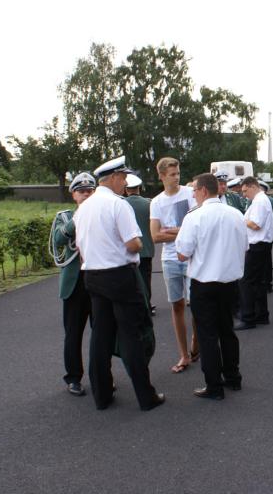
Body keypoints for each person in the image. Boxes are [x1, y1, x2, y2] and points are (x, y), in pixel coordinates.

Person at [73, 156, 165, 411]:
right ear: (113, 178)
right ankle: (146, 397)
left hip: (93, 276)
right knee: (131, 335)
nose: (125, 183)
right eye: (123, 178)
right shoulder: (118, 205)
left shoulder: (83, 209)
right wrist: (137, 244)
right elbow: (133, 243)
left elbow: (80, 248)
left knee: (100, 337)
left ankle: (102, 396)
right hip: (120, 276)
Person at [176, 172, 248, 400]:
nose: (193, 195)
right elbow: (245, 246)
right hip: (230, 283)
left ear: (204, 190)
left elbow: (182, 254)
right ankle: (233, 377)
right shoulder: (236, 214)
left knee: (207, 335)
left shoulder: (194, 217)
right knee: (227, 331)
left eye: (194, 191)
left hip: (204, 284)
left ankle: (214, 386)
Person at [149, 157, 199, 375]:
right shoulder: (156, 202)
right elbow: (154, 236)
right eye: (172, 174)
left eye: (178, 173)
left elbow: (195, 227)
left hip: (190, 257)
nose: (177, 177)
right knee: (177, 306)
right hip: (169, 260)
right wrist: (181, 230)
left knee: (195, 304)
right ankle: (184, 354)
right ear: (161, 176)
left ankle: (196, 341)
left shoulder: (189, 194)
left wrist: (169, 231)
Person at [51, 171, 95, 396]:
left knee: (102, 332)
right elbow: (58, 240)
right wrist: (77, 220)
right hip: (75, 283)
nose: (86, 194)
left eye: (89, 191)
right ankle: (73, 378)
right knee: (73, 333)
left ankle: (102, 376)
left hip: (97, 279)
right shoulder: (66, 217)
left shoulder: (101, 214)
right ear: (73, 195)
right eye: (81, 191)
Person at [235, 176, 273, 330]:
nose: (244, 194)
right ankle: (261, 315)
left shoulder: (259, 201)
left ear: (253, 186)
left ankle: (248, 317)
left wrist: (240, 219)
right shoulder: (260, 200)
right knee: (258, 282)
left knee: (246, 282)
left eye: (245, 191)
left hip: (256, 245)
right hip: (260, 245)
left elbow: (255, 225)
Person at [124, 174, 156, 314]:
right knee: (145, 280)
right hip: (147, 249)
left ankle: (133, 307)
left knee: (129, 281)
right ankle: (147, 305)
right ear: (139, 188)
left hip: (128, 250)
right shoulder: (149, 203)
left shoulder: (121, 204)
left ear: (126, 189)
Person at [259, 180, 273, 293]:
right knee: (267, 259)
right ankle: (268, 283)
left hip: (255, 238)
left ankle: (260, 282)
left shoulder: (252, 201)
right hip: (269, 235)